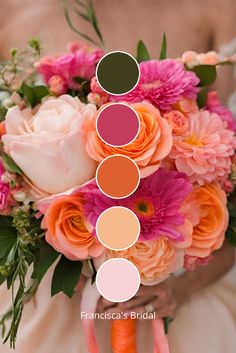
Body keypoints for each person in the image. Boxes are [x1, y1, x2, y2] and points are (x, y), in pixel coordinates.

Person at [0, 1, 236, 352]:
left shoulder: (217, 8)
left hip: (177, 298)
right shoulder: (8, 11)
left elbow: (228, 192)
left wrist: (180, 287)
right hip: (52, 303)